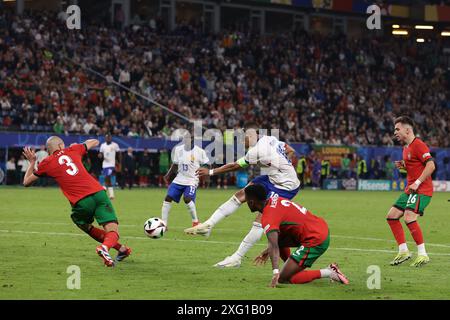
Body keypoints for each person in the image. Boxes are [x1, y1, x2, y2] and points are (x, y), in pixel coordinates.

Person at [185, 123, 300, 268]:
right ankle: (209, 224)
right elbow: (291, 150)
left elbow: (235, 166)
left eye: (242, 139)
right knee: (242, 194)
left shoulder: (256, 150)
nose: (241, 143)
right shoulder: (270, 138)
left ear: (249, 136)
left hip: (285, 187)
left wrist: (211, 172)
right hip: (273, 179)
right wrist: (285, 166)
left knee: (261, 218)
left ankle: (237, 257)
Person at [22, 136, 131, 267]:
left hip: (81, 202)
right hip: (98, 193)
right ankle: (109, 248)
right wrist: (78, 145)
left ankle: (120, 249)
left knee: (83, 224)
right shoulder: (73, 150)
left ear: (49, 150)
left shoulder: (47, 162)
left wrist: (32, 162)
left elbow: (26, 182)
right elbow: (94, 141)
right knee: (112, 230)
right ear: (61, 145)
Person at [246, 184, 349, 287]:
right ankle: (291, 267)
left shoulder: (268, 217)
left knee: (283, 279)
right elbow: (276, 241)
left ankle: (329, 272)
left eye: (246, 200)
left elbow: (274, 245)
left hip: (315, 239)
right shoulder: (275, 200)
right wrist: (268, 251)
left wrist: (275, 272)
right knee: (279, 237)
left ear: (251, 202)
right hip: (317, 227)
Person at [387, 116, 435, 267]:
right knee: (392, 216)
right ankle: (403, 251)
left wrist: (418, 182)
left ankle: (423, 254)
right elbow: (413, 169)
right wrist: (403, 166)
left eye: (397, 129)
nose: (395, 132)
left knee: (409, 217)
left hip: (422, 190)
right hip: (410, 190)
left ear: (407, 130)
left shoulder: (418, 144)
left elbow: (431, 166)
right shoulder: (405, 148)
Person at [161, 135, 209, 228]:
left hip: (192, 180)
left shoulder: (200, 151)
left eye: (189, 139)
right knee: (168, 198)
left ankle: (195, 222)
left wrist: (206, 174)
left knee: (187, 199)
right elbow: (175, 164)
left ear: (193, 140)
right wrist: (168, 175)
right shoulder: (178, 149)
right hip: (179, 178)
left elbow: (207, 164)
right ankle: (164, 224)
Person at [99, 134, 121, 199]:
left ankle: (103, 191)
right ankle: (111, 195)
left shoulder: (115, 145)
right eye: (107, 137)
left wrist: (119, 163)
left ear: (111, 138)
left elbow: (119, 154)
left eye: (109, 137)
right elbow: (101, 153)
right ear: (105, 138)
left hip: (111, 165)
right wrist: (100, 155)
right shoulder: (102, 145)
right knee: (108, 181)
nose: (108, 138)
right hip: (105, 165)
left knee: (107, 177)